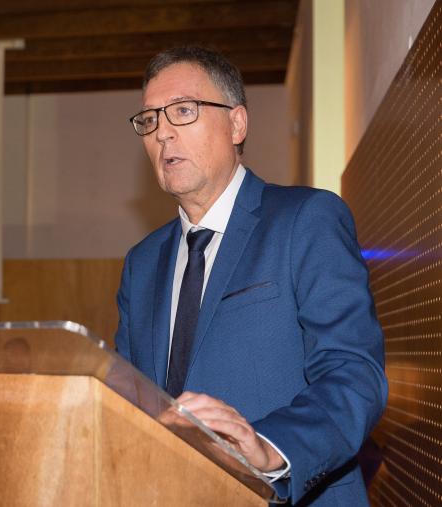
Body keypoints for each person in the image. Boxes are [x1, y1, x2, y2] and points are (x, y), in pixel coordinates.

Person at [115, 46, 386, 506]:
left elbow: (354, 374)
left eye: (183, 111)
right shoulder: (141, 263)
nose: (162, 134)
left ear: (237, 123)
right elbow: (127, 403)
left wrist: (270, 449)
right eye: (149, 119)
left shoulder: (307, 219)